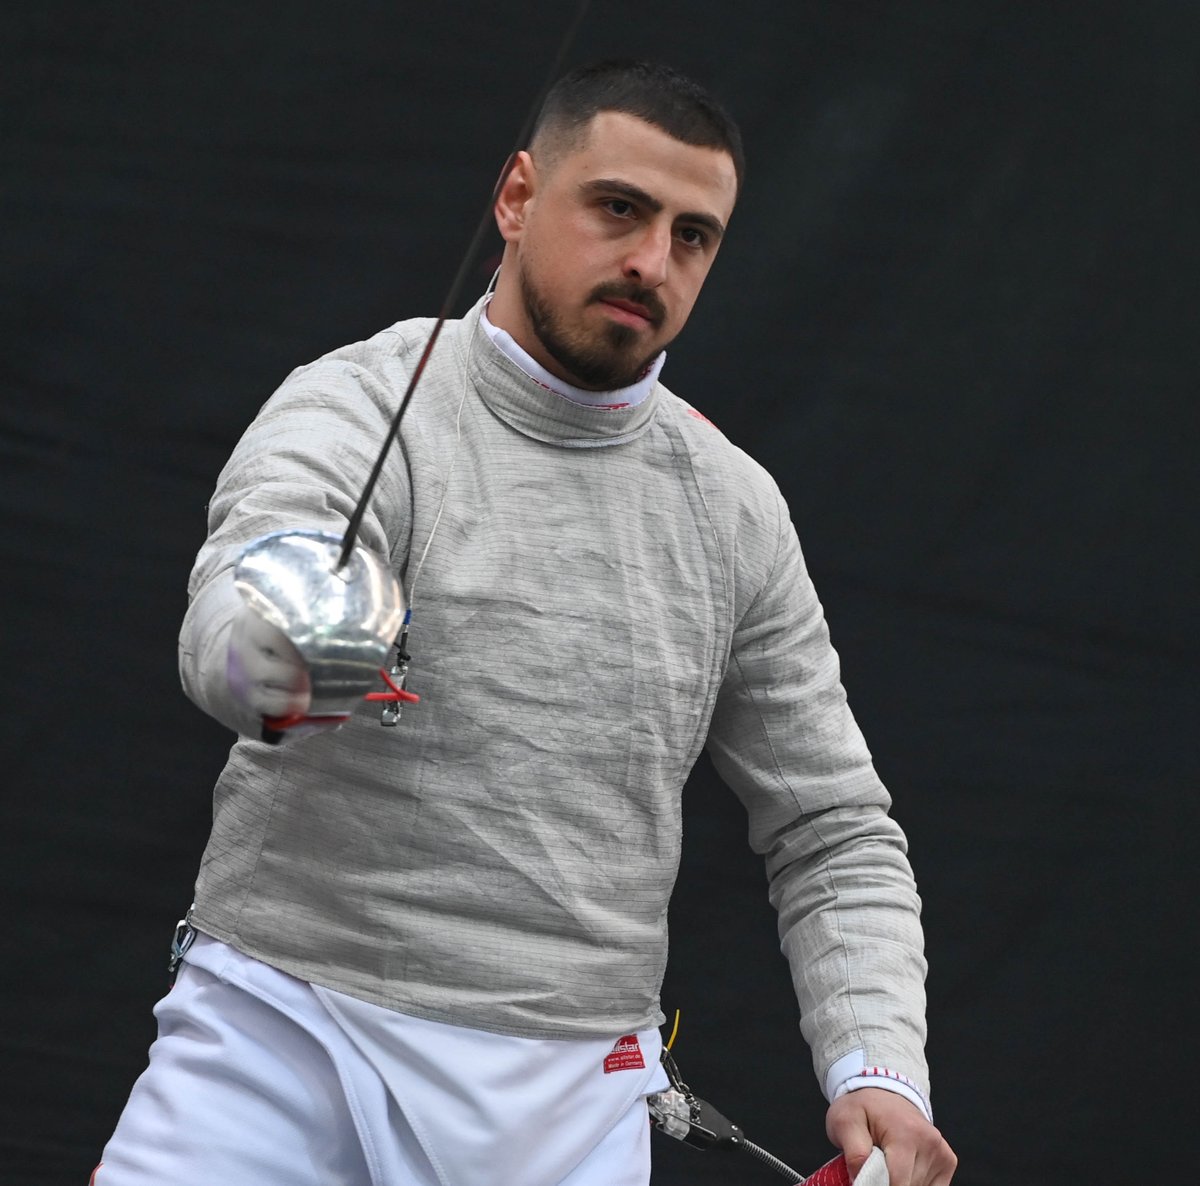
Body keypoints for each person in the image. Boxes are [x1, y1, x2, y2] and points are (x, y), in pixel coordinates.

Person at [95, 60, 957, 1186]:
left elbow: (832, 827)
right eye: (618, 208)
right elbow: (240, 609)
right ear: (515, 198)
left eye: (692, 236)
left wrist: (880, 1069)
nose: (651, 261)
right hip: (281, 1035)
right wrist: (291, 649)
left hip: (566, 1099)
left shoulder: (732, 508)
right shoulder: (361, 404)